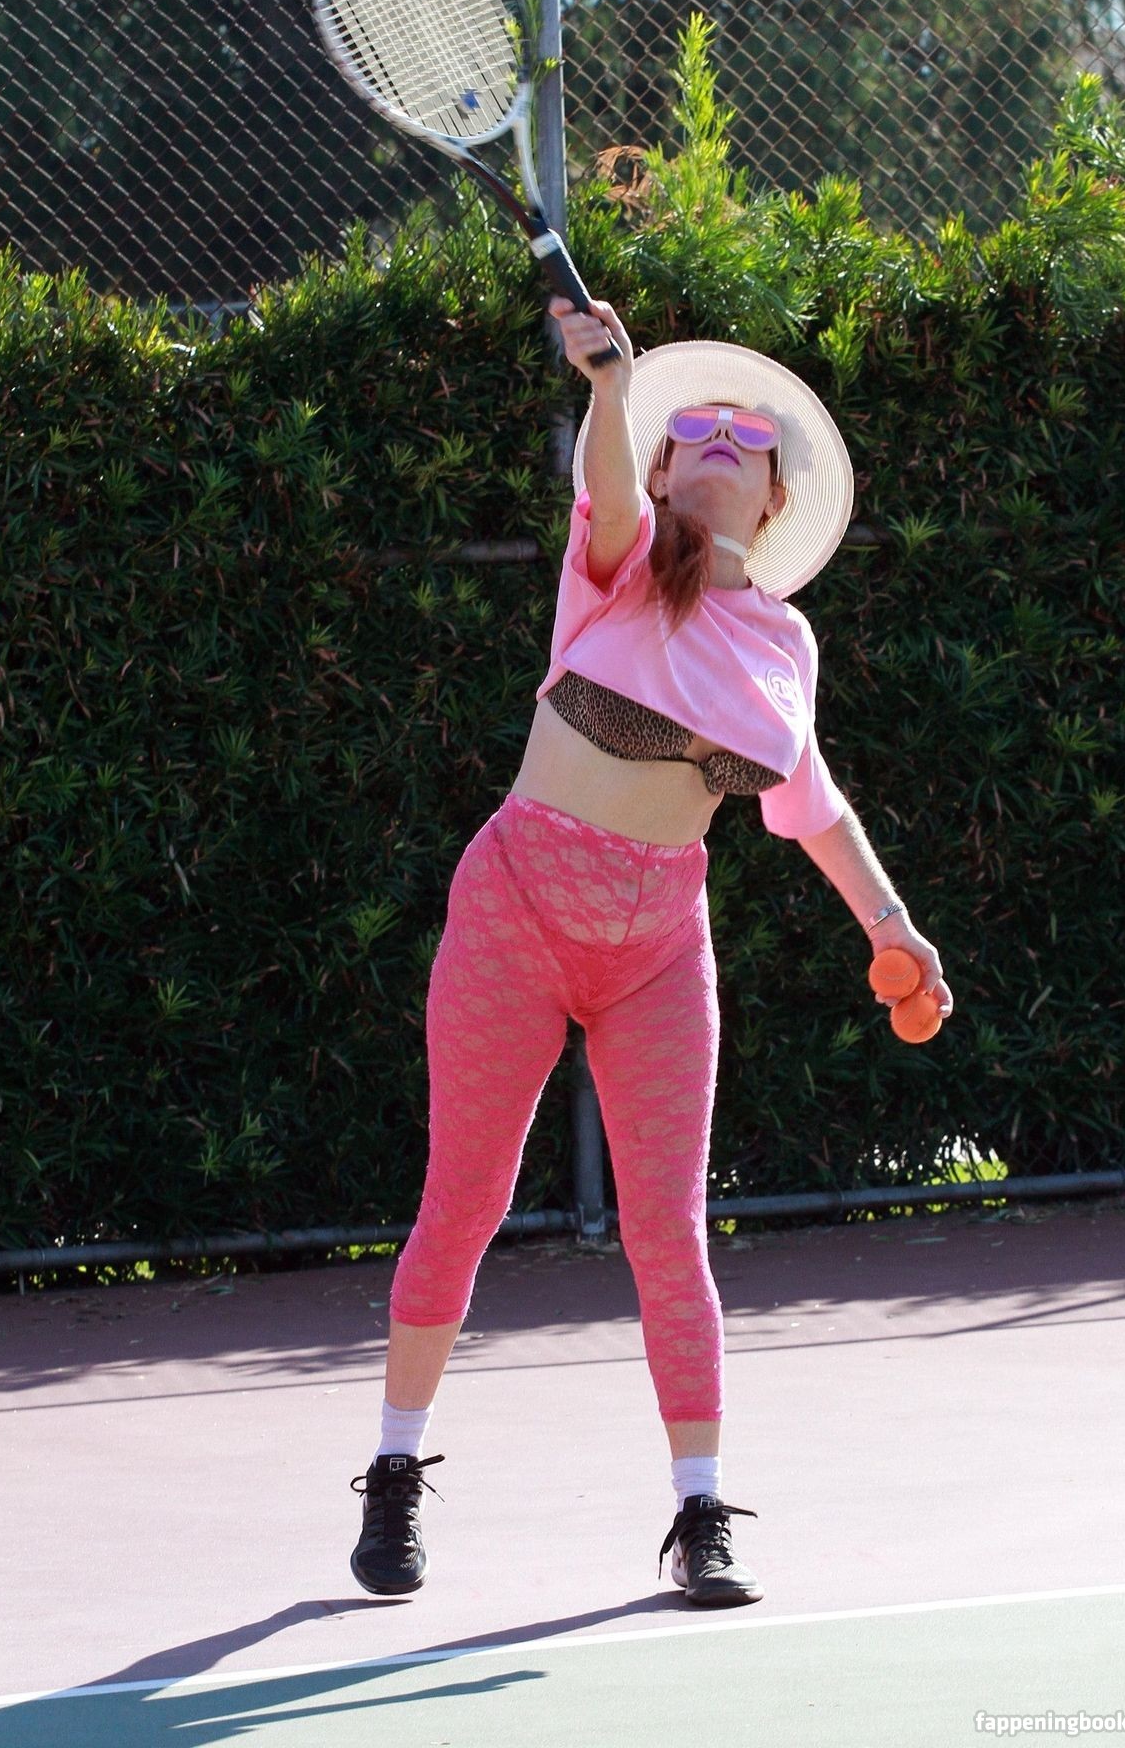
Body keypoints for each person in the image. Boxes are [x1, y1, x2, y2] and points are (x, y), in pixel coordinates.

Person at [349, 297, 955, 1607]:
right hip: (514, 913)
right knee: (465, 1204)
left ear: (777, 494)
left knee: (670, 1232)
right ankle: (393, 1472)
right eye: (700, 431)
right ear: (668, 470)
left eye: (752, 436)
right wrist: (616, 393)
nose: (725, 441)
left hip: (658, 949)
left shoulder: (783, 642)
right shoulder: (616, 563)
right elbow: (613, 490)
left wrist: (891, 925)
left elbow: (812, 803)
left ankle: (699, 1513)